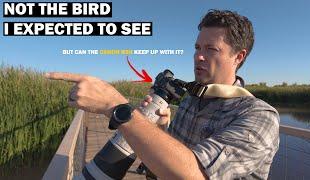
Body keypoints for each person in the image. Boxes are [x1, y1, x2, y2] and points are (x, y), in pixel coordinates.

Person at [46, 9, 279, 180]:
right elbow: (174, 154)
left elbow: (195, 174)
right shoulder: (191, 99)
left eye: (211, 49)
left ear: (238, 57)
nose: (198, 56)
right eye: (198, 48)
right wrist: (159, 125)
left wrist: (116, 106)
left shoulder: (260, 116)